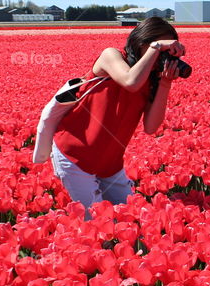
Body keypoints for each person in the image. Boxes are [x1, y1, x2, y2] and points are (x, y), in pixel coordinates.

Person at [51, 17, 187, 218]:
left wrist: (165, 83)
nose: (162, 56)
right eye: (160, 50)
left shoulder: (152, 80)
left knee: (131, 217)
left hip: (110, 164)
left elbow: (151, 127)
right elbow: (130, 81)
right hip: (75, 157)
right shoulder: (111, 56)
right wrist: (156, 48)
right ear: (141, 44)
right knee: (96, 223)